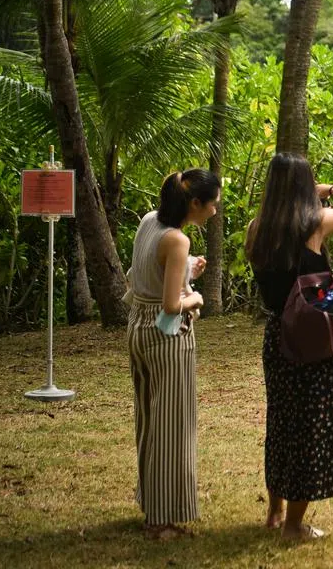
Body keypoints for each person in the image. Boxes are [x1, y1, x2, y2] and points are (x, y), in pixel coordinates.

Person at [246, 153, 333, 540]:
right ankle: (294, 526)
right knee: (310, 429)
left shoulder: (256, 228)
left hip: (277, 336)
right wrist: (330, 190)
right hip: (312, 338)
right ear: (305, 184)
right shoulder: (314, 223)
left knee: (282, 424)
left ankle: (275, 512)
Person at [126, 168, 220, 540]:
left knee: (149, 421)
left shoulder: (150, 221)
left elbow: (144, 272)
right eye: (212, 204)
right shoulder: (177, 240)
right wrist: (196, 298)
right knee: (172, 428)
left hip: (138, 329)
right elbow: (170, 305)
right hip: (166, 339)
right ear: (195, 203)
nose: (214, 211)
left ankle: (151, 502)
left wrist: (186, 272)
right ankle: (160, 521)